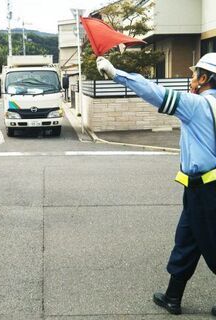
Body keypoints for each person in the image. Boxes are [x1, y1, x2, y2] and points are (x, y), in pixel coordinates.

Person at [97, 53, 216, 316]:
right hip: (199, 190)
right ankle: (173, 296)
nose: (192, 79)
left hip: (206, 191)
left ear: (205, 78)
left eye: (195, 74)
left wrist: (117, 73)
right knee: (187, 240)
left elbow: (155, 93)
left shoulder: (197, 105)